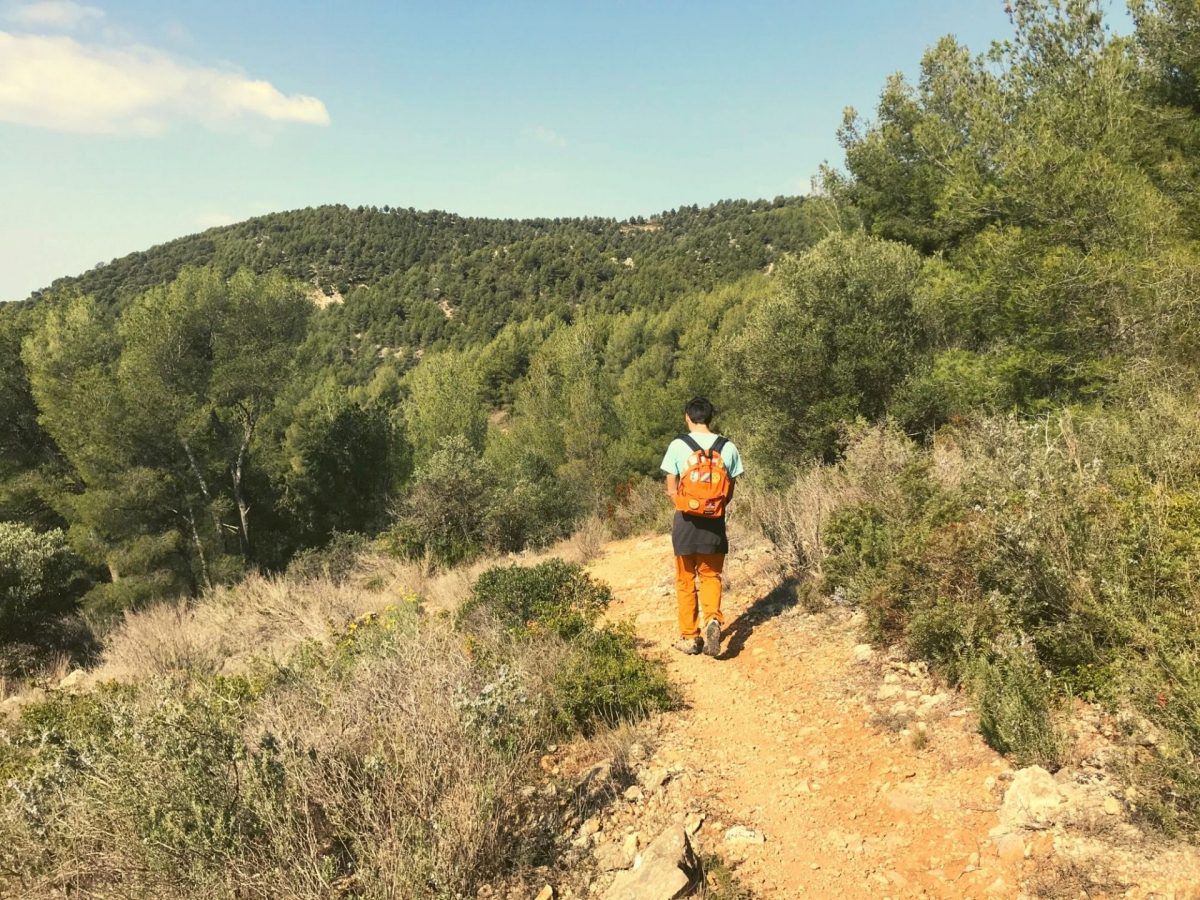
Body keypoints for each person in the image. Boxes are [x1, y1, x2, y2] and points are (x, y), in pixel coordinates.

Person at [659, 397, 744, 657]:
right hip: (714, 522)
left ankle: (689, 636)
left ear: (687, 416)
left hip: (685, 522)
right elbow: (729, 490)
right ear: (710, 417)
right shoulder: (728, 447)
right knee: (710, 576)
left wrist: (682, 502)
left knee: (685, 579)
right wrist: (714, 507)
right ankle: (713, 621)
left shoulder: (678, 445)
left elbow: (670, 484)